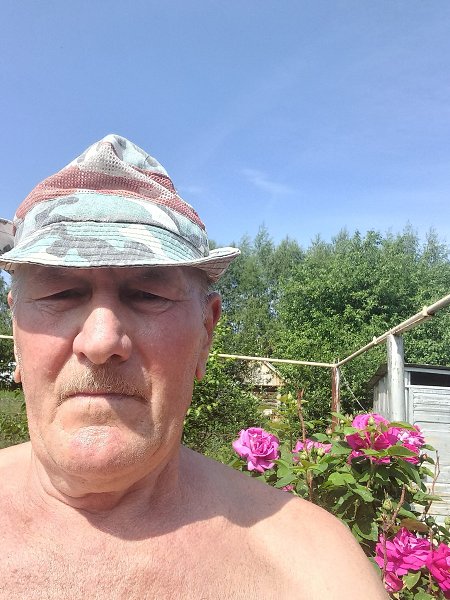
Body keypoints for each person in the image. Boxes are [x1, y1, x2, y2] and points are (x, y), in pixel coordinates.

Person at [0, 135, 388, 599]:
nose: (101, 342)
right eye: (60, 293)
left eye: (147, 295)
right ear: (16, 332)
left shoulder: (313, 571)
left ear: (206, 331)